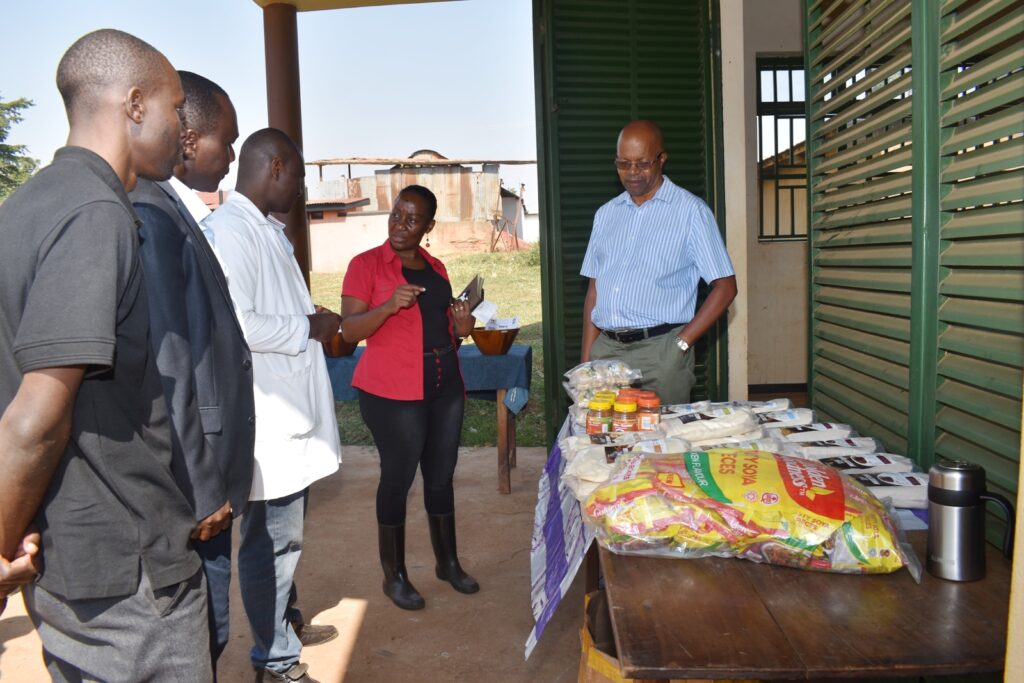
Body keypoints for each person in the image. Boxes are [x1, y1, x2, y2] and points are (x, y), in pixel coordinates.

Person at [0, 29, 212, 681]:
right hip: (128, 574)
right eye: (178, 108)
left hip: (71, 559)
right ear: (136, 103)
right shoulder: (97, 213)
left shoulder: (27, 204)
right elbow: (35, 419)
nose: (184, 128)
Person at [203, 128, 341, 683]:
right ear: (278, 168)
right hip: (266, 418)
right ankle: (274, 661)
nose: (303, 190)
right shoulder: (231, 232)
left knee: (285, 536)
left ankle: (285, 621)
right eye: (302, 178)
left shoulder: (264, 228)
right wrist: (309, 325)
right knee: (270, 542)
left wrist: (310, 317)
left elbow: (274, 307)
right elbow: (239, 324)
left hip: (287, 409)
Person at [129, 71, 255, 675]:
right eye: (224, 141)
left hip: (208, 470)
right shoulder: (151, 215)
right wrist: (205, 487)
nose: (230, 154)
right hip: (194, 480)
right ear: (187, 138)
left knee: (211, 631)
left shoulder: (178, 211)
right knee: (201, 635)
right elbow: (168, 364)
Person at [341, 184, 479, 611]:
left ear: (429, 226)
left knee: (440, 476)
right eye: (396, 214)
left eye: (412, 219)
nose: (400, 224)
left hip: (444, 384)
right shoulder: (365, 265)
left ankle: (447, 562)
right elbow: (348, 331)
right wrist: (386, 307)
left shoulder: (436, 267)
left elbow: (450, 330)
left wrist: (462, 324)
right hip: (393, 390)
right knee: (397, 479)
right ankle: (394, 575)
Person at [580, 119, 737, 404]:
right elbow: (594, 290)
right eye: (623, 163)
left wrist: (679, 344)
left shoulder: (691, 212)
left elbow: (726, 287)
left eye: (642, 163)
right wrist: (586, 363)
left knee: (665, 443)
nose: (632, 173)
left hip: (662, 353)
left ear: (662, 159)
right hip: (606, 353)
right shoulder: (606, 214)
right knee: (606, 441)